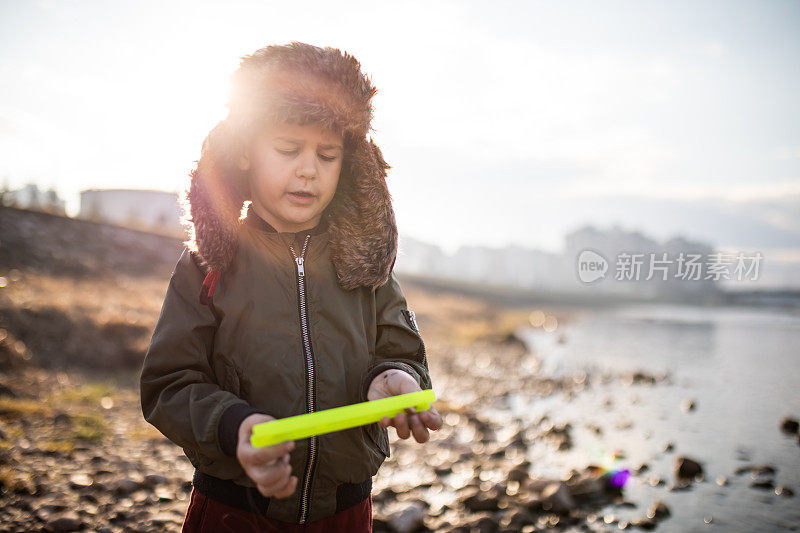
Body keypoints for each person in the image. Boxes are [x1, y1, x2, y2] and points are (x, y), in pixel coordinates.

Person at [139, 41, 443, 532]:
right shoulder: (208, 265)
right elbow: (168, 384)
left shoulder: (364, 268)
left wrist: (397, 378)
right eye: (288, 150)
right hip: (234, 510)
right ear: (243, 155)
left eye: (327, 155)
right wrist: (235, 424)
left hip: (344, 511)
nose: (308, 169)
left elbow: (403, 351)